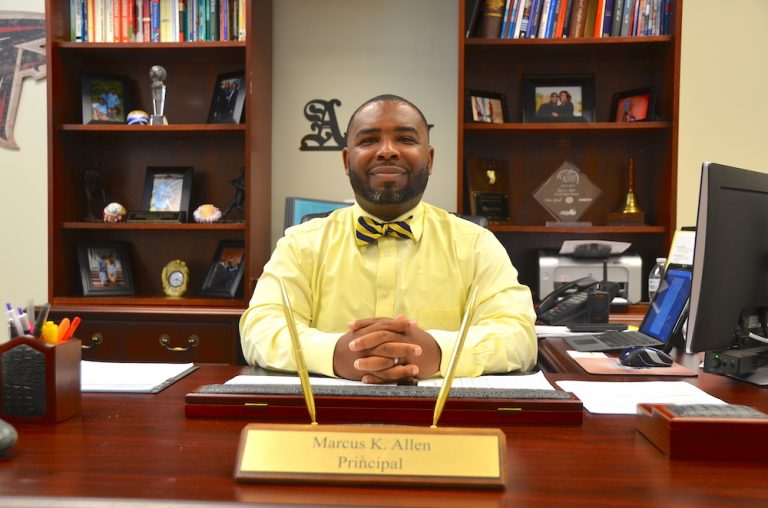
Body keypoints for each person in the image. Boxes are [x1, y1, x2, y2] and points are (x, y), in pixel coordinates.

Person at [240, 94, 536, 384]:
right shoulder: (300, 244)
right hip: (325, 422)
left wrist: (438, 352)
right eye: (369, 140)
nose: (387, 151)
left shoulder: (477, 244)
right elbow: (260, 329)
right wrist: (335, 355)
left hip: (445, 423)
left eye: (405, 139)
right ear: (346, 160)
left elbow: (520, 336)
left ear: (430, 159)